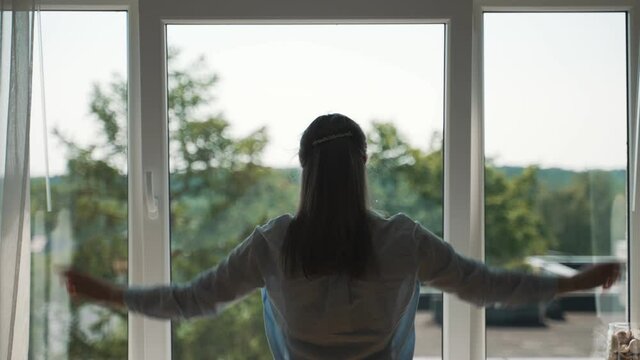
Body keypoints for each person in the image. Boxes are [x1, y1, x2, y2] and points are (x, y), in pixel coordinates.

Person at [62, 113, 620, 359]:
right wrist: (572, 285)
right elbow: (484, 285)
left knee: (265, 291)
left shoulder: (274, 242)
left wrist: (109, 293)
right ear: (362, 167)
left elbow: (191, 300)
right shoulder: (404, 240)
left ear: (304, 168)